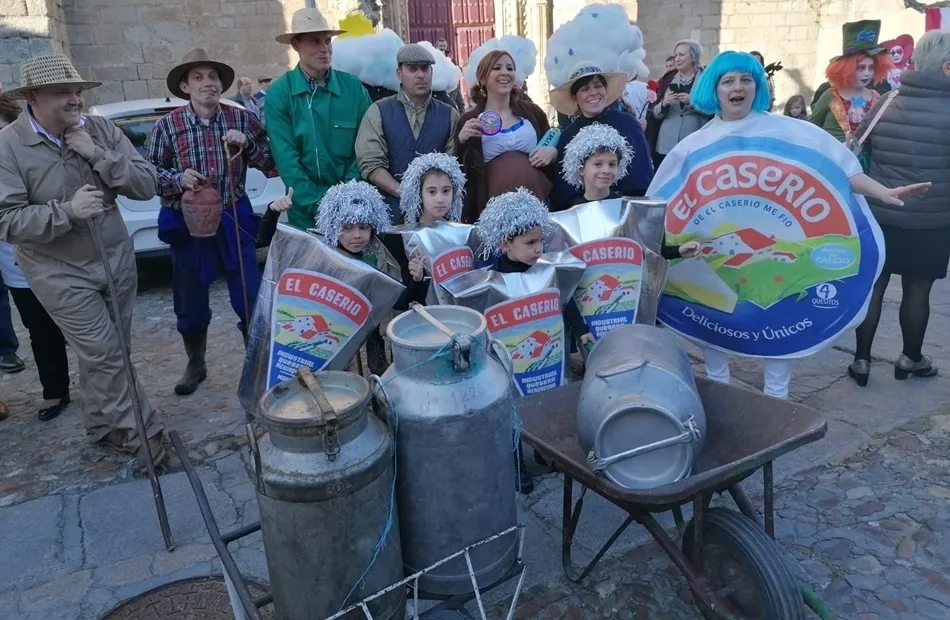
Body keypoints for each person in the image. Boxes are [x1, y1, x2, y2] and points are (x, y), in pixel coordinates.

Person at [648, 51, 928, 399]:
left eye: (746, 79)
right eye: (728, 80)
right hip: (711, 264)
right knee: (712, 338)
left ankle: (774, 415)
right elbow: (660, 201)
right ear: (715, 89)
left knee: (779, 333)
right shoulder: (693, 145)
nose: (738, 87)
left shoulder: (792, 132)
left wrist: (883, 192)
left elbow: (842, 170)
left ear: (757, 87)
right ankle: (717, 399)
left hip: (771, 261)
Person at [0, 55, 165, 465]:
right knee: (106, 353)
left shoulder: (101, 130)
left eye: (77, 91)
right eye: (63, 93)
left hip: (116, 259)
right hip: (58, 272)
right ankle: (141, 434)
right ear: (32, 97)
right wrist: (67, 212)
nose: (75, 100)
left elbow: (146, 185)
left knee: (111, 351)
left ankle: (101, 424)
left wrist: (98, 154)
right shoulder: (8, 146)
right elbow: (5, 221)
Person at [147, 49, 276, 396]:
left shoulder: (242, 119)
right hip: (186, 219)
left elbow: (271, 164)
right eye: (199, 78)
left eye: (213, 77)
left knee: (250, 290)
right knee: (189, 297)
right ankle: (196, 362)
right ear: (186, 86)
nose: (208, 83)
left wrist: (247, 144)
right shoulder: (167, 126)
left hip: (233, 213)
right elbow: (148, 176)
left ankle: (258, 361)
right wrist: (177, 179)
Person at [848, 30, 950, 386]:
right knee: (918, 290)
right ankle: (910, 359)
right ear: (947, 67)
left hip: (880, 210)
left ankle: (861, 361)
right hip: (931, 220)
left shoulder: (886, 100)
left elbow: (861, 145)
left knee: (874, 286)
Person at [474, 188, 591, 493]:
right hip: (508, 362)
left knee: (546, 405)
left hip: (546, 356)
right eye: (529, 243)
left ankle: (544, 450)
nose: (539, 248)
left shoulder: (547, 271)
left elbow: (565, 301)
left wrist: (581, 329)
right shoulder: (490, 280)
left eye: (541, 241)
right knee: (510, 411)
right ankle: (515, 463)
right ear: (504, 243)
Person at [267, 7, 372, 230]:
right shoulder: (280, 93)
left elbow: (366, 148)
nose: (324, 49)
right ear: (296, 45)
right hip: (306, 215)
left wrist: (345, 198)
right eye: (315, 42)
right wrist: (319, 203)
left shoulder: (353, 88)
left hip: (353, 211)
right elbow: (287, 160)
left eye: (327, 41)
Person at [0, 95, 70, 421]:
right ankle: (55, 389)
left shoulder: (25, 149)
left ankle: (107, 390)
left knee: (85, 326)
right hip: (13, 261)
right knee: (39, 327)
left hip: (53, 251)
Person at [560, 123, 700, 262]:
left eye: (612, 164)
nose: (606, 170)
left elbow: (650, 250)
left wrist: (679, 251)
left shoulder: (629, 208)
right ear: (581, 169)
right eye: (597, 164)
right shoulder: (569, 211)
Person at [356, 44, 460, 224]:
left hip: (437, 218)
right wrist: (406, 193)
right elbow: (370, 164)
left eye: (425, 68)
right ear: (399, 73)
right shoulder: (378, 111)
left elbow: (452, 166)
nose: (420, 75)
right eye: (412, 69)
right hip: (389, 215)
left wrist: (432, 197)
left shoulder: (450, 114)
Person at [455, 50, 557, 222]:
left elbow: (551, 146)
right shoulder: (470, 119)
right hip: (492, 205)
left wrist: (552, 152)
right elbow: (460, 168)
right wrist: (462, 141)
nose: (505, 72)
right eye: (497, 68)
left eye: (509, 68)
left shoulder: (532, 113)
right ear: (482, 78)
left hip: (535, 198)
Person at [316, 180, 401, 375]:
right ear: (334, 226)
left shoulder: (379, 256)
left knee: (376, 365)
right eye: (347, 227)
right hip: (336, 332)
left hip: (370, 328)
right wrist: (274, 211)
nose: (357, 235)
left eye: (363, 227)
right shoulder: (327, 258)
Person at [549, 62, 654, 209]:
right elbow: (564, 187)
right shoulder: (569, 134)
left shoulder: (627, 123)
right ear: (575, 98)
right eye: (585, 88)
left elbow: (642, 174)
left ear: (605, 90)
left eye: (598, 86)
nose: (593, 92)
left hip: (624, 209)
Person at [809, 20, 894, 145]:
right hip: (833, 160)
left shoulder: (876, 98)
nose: (867, 73)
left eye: (871, 68)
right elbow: (810, 128)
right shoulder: (830, 95)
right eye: (861, 68)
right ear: (846, 69)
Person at [400, 152, 467, 304]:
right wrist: (418, 279)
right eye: (431, 192)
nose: (440, 199)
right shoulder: (404, 235)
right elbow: (401, 301)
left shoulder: (461, 232)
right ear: (419, 194)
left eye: (446, 191)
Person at [647, 39, 712, 169]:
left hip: (695, 142)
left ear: (693, 57)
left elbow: (715, 110)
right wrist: (664, 104)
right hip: (667, 144)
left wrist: (693, 102)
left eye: (681, 55)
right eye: (676, 55)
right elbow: (655, 113)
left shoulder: (706, 78)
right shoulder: (668, 78)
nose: (677, 59)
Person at [436, 37, 465, 110]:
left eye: (444, 46)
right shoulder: (434, 59)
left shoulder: (450, 60)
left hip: (452, 90)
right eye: (440, 46)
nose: (442, 48)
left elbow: (458, 71)